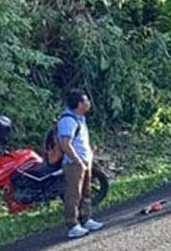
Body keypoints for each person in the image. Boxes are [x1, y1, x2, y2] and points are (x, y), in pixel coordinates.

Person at [58, 91, 104, 239]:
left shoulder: (81, 118)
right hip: (74, 163)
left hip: (84, 162)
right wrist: (78, 161)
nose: (89, 103)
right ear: (79, 104)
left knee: (86, 192)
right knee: (73, 194)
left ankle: (86, 219)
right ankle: (72, 225)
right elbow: (66, 144)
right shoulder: (68, 120)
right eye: (86, 101)